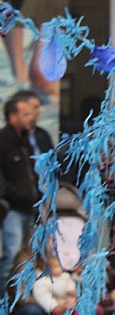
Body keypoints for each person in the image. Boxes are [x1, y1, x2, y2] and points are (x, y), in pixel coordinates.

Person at [0, 96, 39, 289]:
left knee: (25, 257)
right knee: (11, 255)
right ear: (13, 116)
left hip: (29, 208)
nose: (31, 117)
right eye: (26, 114)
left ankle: (18, 305)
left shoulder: (25, 141)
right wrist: (11, 195)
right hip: (13, 209)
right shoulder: (3, 139)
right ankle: (3, 308)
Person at [11, 90, 54, 156]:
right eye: (35, 107)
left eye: (39, 107)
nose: (38, 111)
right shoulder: (5, 138)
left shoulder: (42, 134)